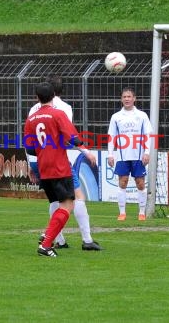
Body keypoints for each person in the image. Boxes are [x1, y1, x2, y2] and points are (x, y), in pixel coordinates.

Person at [27, 75, 102, 251]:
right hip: (58, 164)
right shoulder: (61, 111)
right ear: (54, 95)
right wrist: (86, 152)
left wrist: (31, 164)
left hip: (40, 163)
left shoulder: (32, 114)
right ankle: (83, 240)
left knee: (55, 201)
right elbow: (72, 138)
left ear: (36, 97)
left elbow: (30, 148)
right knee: (75, 199)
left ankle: (58, 240)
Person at [107, 87, 153, 221]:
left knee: (140, 183)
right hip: (122, 156)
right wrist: (110, 154)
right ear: (121, 99)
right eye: (124, 97)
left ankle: (142, 212)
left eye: (129, 96)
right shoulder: (116, 117)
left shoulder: (142, 115)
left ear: (134, 98)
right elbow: (111, 136)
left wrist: (147, 152)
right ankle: (122, 213)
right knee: (123, 182)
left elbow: (148, 135)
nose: (127, 99)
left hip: (138, 156)